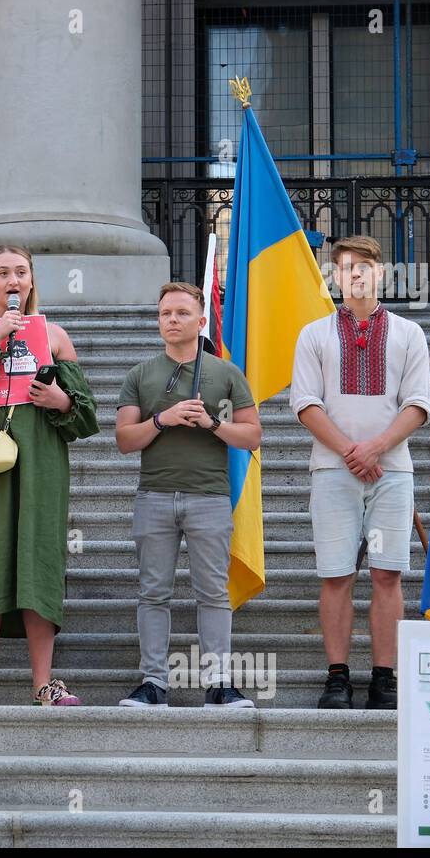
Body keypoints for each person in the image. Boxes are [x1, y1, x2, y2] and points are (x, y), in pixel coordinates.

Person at [0, 245, 99, 707]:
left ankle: (43, 683)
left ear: (31, 281)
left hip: (41, 460)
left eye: (21, 272)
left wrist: (62, 402)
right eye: (3, 272)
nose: (13, 280)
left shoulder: (54, 335)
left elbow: (87, 417)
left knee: (38, 558)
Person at [290, 234, 430, 710]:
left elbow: (417, 405)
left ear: (381, 274)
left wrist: (377, 448)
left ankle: (384, 677)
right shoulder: (314, 334)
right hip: (333, 470)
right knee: (336, 575)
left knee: (387, 574)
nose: (355, 275)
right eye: (345, 267)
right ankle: (337, 677)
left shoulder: (409, 334)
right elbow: (305, 404)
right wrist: (353, 451)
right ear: (334, 276)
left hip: (392, 472)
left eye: (363, 267)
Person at [114, 282, 262, 708]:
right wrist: (163, 419)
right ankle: (155, 682)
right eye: (165, 314)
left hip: (209, 496)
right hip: (154, 496)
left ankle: (219, 682)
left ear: (201, 321)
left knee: (213, 592)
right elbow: (125, 439)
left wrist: (212, 424)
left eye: (181, 313)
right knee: (153, 591)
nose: (172, 320)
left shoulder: (226, 373)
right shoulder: (140, 374)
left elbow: (252, 436)